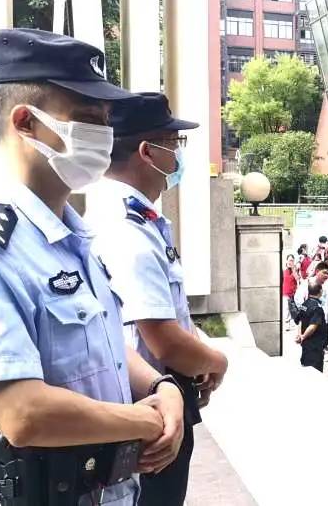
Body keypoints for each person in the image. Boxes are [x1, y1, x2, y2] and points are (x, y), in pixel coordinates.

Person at [0, 29, 182, 505]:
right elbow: (23, 412)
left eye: (105, 121)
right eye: (87, 119)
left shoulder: (74, 236)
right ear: (26, 122)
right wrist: (147, 420)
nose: (105, 136)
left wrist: (162, 387)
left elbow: (103, 343)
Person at [89, 92, 230, 504]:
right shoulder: (126, 229)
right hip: (150, 406)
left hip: (161, 394)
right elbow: (162, 337)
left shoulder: (140, 219)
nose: (178, 156)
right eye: (174, 144)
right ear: (148, 152)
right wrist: (216, 361)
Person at [296, 282, 328, 372]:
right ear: (320, 291)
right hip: (315, 344)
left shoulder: (304, 304)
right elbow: (313, 326)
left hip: (306, 344)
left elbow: (300, 321)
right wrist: (303, 336)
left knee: (306, 366)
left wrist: (300, 335)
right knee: (315, 370)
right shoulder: (317, 308)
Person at [282, 254, 298, 331]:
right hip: (285, 292)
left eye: (292, 260)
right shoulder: (284, 270)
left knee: (294, 308)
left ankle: (294, 321)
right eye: (289, 260)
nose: (290, 262)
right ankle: (287, 323)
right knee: (286, 308)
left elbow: (298, 279)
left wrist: (294, 269)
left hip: (294, 293)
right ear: (287, 261)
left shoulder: (295, 270)